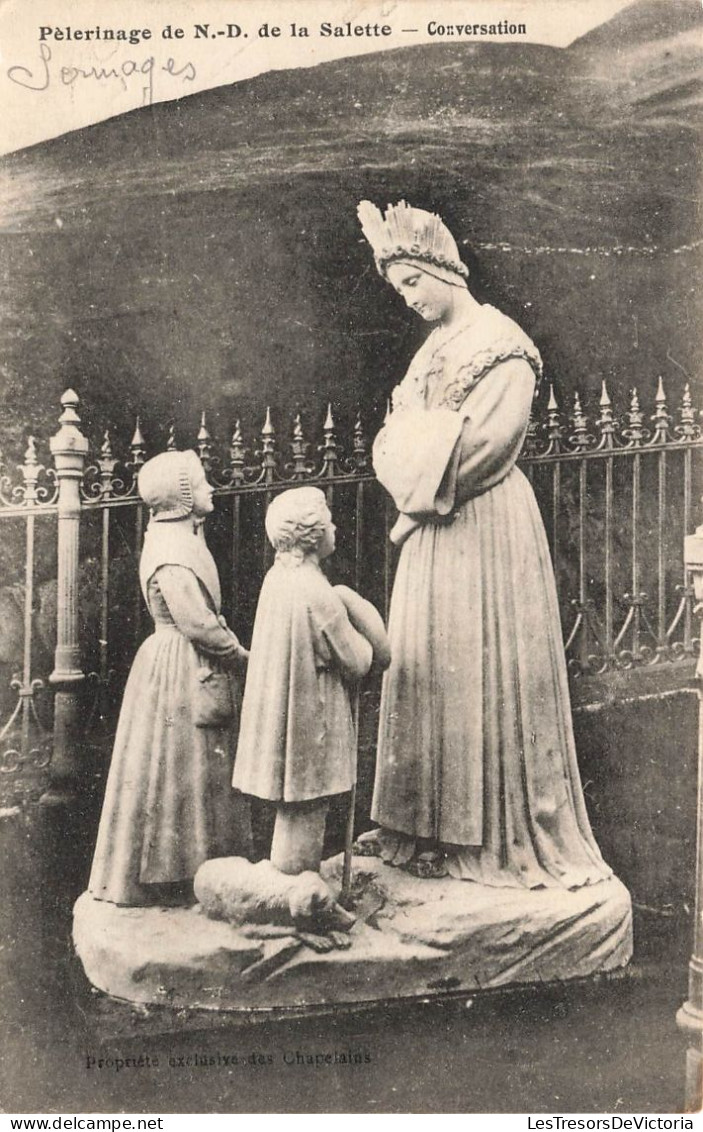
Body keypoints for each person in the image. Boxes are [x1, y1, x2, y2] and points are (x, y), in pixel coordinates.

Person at [356, 199, 612, 888]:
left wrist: (417, 457)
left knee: (481, 667)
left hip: (481, 525)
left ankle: (491, 832)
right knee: (430, 666)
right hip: (432, 529)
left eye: (412, 281)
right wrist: (414, 450)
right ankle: (422, 826)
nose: (407, 298)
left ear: (443, 267)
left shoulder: (502, 345)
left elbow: (481, 449)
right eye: (397, 288)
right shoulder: (430, 349)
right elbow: (389, 439)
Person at [88, 450, 251, 906]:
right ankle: (174, 878)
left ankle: (196, 872)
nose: (211, 490)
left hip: (182, 660)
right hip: (180, 663)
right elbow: (197, 624)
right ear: (181, 500)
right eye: (201, 485)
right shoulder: (172, 551)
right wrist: (241, 657)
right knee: (179, 766)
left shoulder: (177, 540)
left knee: (189, 769)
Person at [233, 487, 390, 877]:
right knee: (308, 809)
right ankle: (297, 896)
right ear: (313, 533)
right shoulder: (319, 592)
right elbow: (360, 660)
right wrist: (355, 604)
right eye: (329, 520)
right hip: (310, 724)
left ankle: (294, 888)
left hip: (285, 718)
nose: (335, 527)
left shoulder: (277, 579)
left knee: (294, 811)